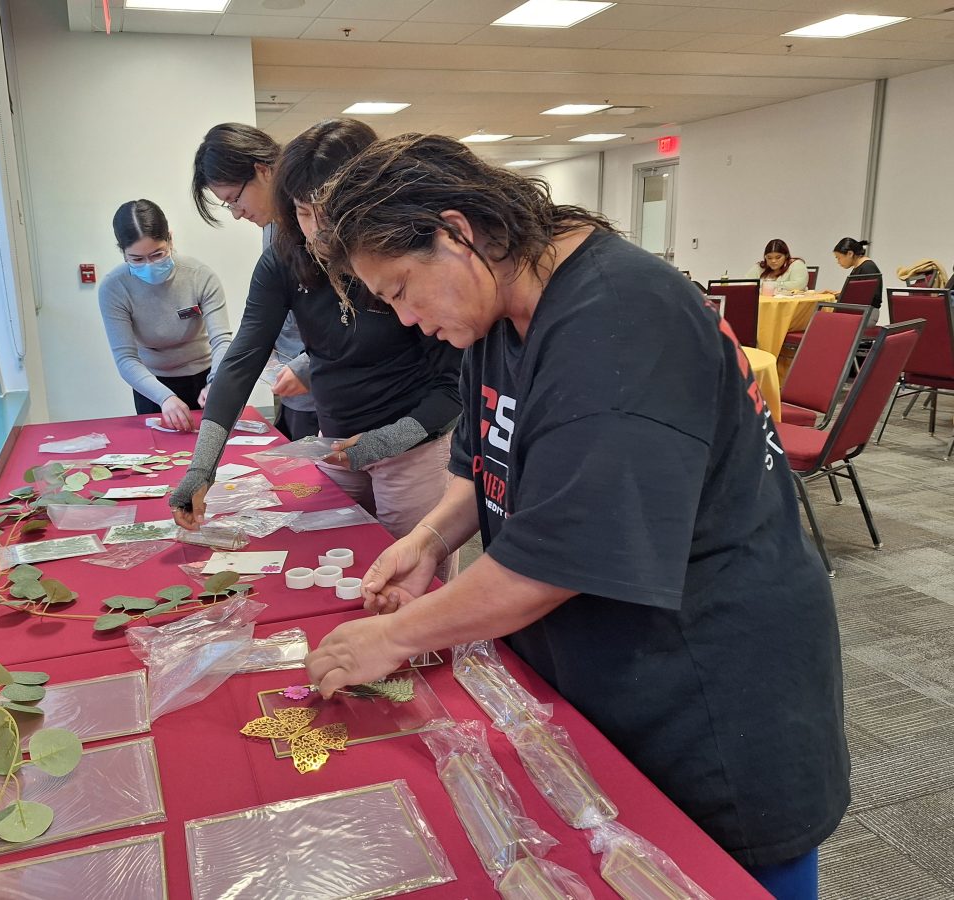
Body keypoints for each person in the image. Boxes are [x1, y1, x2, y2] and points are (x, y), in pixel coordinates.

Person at [305, 134, 849, 898]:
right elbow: (492, 456)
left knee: (726, 873)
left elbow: (558, 554)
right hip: (609, 664)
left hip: (710, 678)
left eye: (399, 288)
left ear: (456, 234)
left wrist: (393, 636)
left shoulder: (619, 319)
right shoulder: (497, 308)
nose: (403, 318)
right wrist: (430, 539)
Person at [171, 120, 463, 574]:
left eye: (323, 212)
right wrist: (201, 467)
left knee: (414, 580)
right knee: (337, 572)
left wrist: (386, 441)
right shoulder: (285, 257)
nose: (314, 231)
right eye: (303, 213)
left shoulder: (406, 257)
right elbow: (242, 359)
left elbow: (454, 384)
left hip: (412, 447)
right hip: (337, 444)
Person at [192, 123, 318, 440]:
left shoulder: (316, 226)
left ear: (262, 171)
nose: (236, 213)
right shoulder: (273, 227)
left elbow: (346, 318)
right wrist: (222, 384)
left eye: (234, 199)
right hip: (296, 384)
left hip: (332, 386)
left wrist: (306, 365)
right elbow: (262, 320)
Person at [97, 199, 231, 431]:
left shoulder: (199, 276)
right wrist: (163, 397)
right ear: (122, 251)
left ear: (170, 238)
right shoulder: (114, 287)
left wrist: (216, 383)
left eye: (157, 254)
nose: (149, 265)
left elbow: (221, 339)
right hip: (151, 384)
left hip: (204, 377)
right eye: (137, 259)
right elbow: (126, 358)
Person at [832, 237, 883, 307]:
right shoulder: (858, 267)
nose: (838, 262)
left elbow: (873, 299)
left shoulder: (868, 268)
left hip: (863, 313)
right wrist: (840, 294)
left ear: (850, 254)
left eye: (838, 258)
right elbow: (858, 293)